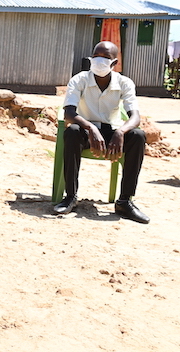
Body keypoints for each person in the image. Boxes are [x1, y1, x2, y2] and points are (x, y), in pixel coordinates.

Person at [53, 41, 150, 224]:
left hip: (112, 132)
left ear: (114, 63)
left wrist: (121, 131)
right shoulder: (79, 79)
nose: (99, 61)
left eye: (105, 58)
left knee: (138, 136)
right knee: (72, 132)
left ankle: (124, 201)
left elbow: (135, 117)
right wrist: (90, 128)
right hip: (85, 131)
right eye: (96, 56)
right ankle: (70, 196)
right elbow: (69, 113)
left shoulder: (124, 82)